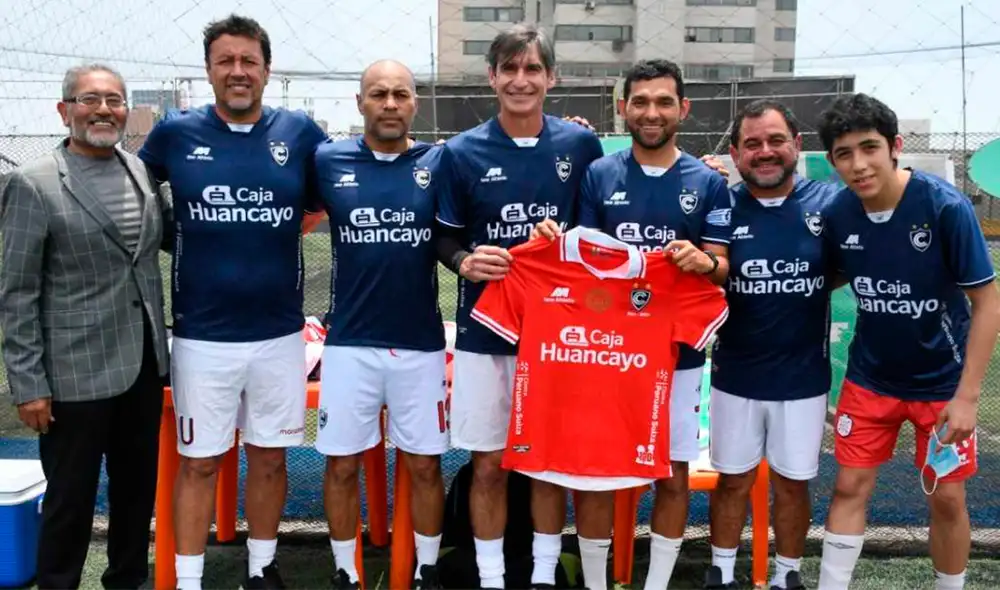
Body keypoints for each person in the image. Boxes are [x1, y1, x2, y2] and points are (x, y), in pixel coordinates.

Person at [138, 14, 329, 590]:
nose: (238, 71)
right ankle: (191, 579)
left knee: (271, 458)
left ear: (267, 70)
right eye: (227, 61)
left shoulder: (301, 133)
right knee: (200, 462)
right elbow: (135, 193)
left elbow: (323, 202)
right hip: (201, 336)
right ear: (209, 70)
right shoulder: (174, 133)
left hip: (278, 334)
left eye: (249, 61)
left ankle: (262, 568)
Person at [533, 58, 731, 590]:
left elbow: (721, 265)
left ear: (683, 110)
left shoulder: (707, 183)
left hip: (678, 355)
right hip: (608, 354)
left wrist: (703, 262)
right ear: (623, 109)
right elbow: (585, 268)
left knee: (672, 471)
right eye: (640, 101)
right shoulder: (600, 175)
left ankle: (658, 582)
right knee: (597, 474)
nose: (651, 112)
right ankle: (597, 584)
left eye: (664, 101)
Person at [434, 23, 604, 589]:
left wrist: (567, 242)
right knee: (487, 463)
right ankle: (488, 577)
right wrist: (464, 262)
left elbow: (599, 239)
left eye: (532, 68)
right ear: (492, 77)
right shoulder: (460, 153)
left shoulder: (581, 146)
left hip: (560, 338)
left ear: (551, 78)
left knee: (552, 462)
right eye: (509, 68)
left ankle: (542, 573)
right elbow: (444, 236)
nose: (520, 79)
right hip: (487, 336)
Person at [816, 93, 1000, 590]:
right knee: (850, 484)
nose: (858, 164)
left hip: (942, 384)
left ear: (895, 146)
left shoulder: (944, 208)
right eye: (844, 154)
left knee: (945, 496)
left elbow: (988, 303)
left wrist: (967, 398)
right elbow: (827, 275)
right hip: (870, 378)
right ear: (833, 161)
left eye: (869, 147)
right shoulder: (838, 214)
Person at [0, 64, 171, 590]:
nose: (103, 110)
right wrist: (28, 385)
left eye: (115, 101)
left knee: (136, 492)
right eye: (89, 99)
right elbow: (16, 291)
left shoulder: (140, 172)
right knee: (70, 500)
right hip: (73, 375)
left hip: (142, 366)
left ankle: (126, 580)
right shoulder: (33, 184)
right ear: (64, 109)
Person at [312, 59, 449, 590]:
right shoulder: (326, 160)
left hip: (419, 345)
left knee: (424, 468)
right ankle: (347, 573)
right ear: (360, 102)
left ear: (415, 102)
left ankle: (428, 569)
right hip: (350, 345)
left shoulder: (440, 162)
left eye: (400, 94)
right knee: (342, 466)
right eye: (378, 94)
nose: (389, 104)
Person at [703, 99, 838, 590]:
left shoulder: (829, 204)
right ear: (736, 154)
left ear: (796, 146)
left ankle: (787, 576)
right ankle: (720, 572)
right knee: (733, 479)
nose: (765, 152)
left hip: (803, 378)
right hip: (735, 376)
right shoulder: (720, 207)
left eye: (776, 140)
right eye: (753, 144)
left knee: (792, 482)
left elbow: (841, 269)